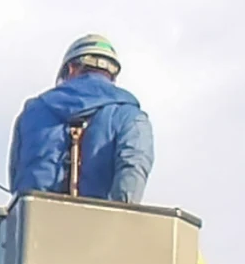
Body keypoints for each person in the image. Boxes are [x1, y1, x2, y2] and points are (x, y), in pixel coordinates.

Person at [8, 33, 154, 204]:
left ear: (70, 69)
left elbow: (16, 180)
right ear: (112, 73)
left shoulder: (30, 114)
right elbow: (132, 174)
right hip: (100, 226)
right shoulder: (131, 117)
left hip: (34, 223)